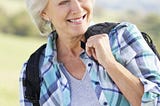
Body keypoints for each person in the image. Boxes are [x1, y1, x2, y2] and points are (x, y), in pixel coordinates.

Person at [19, 0, 160, 106]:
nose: (77, 8)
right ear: (44, 13)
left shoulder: (122, 38)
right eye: (64, 2)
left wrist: (110, 63)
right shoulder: (33, 70)